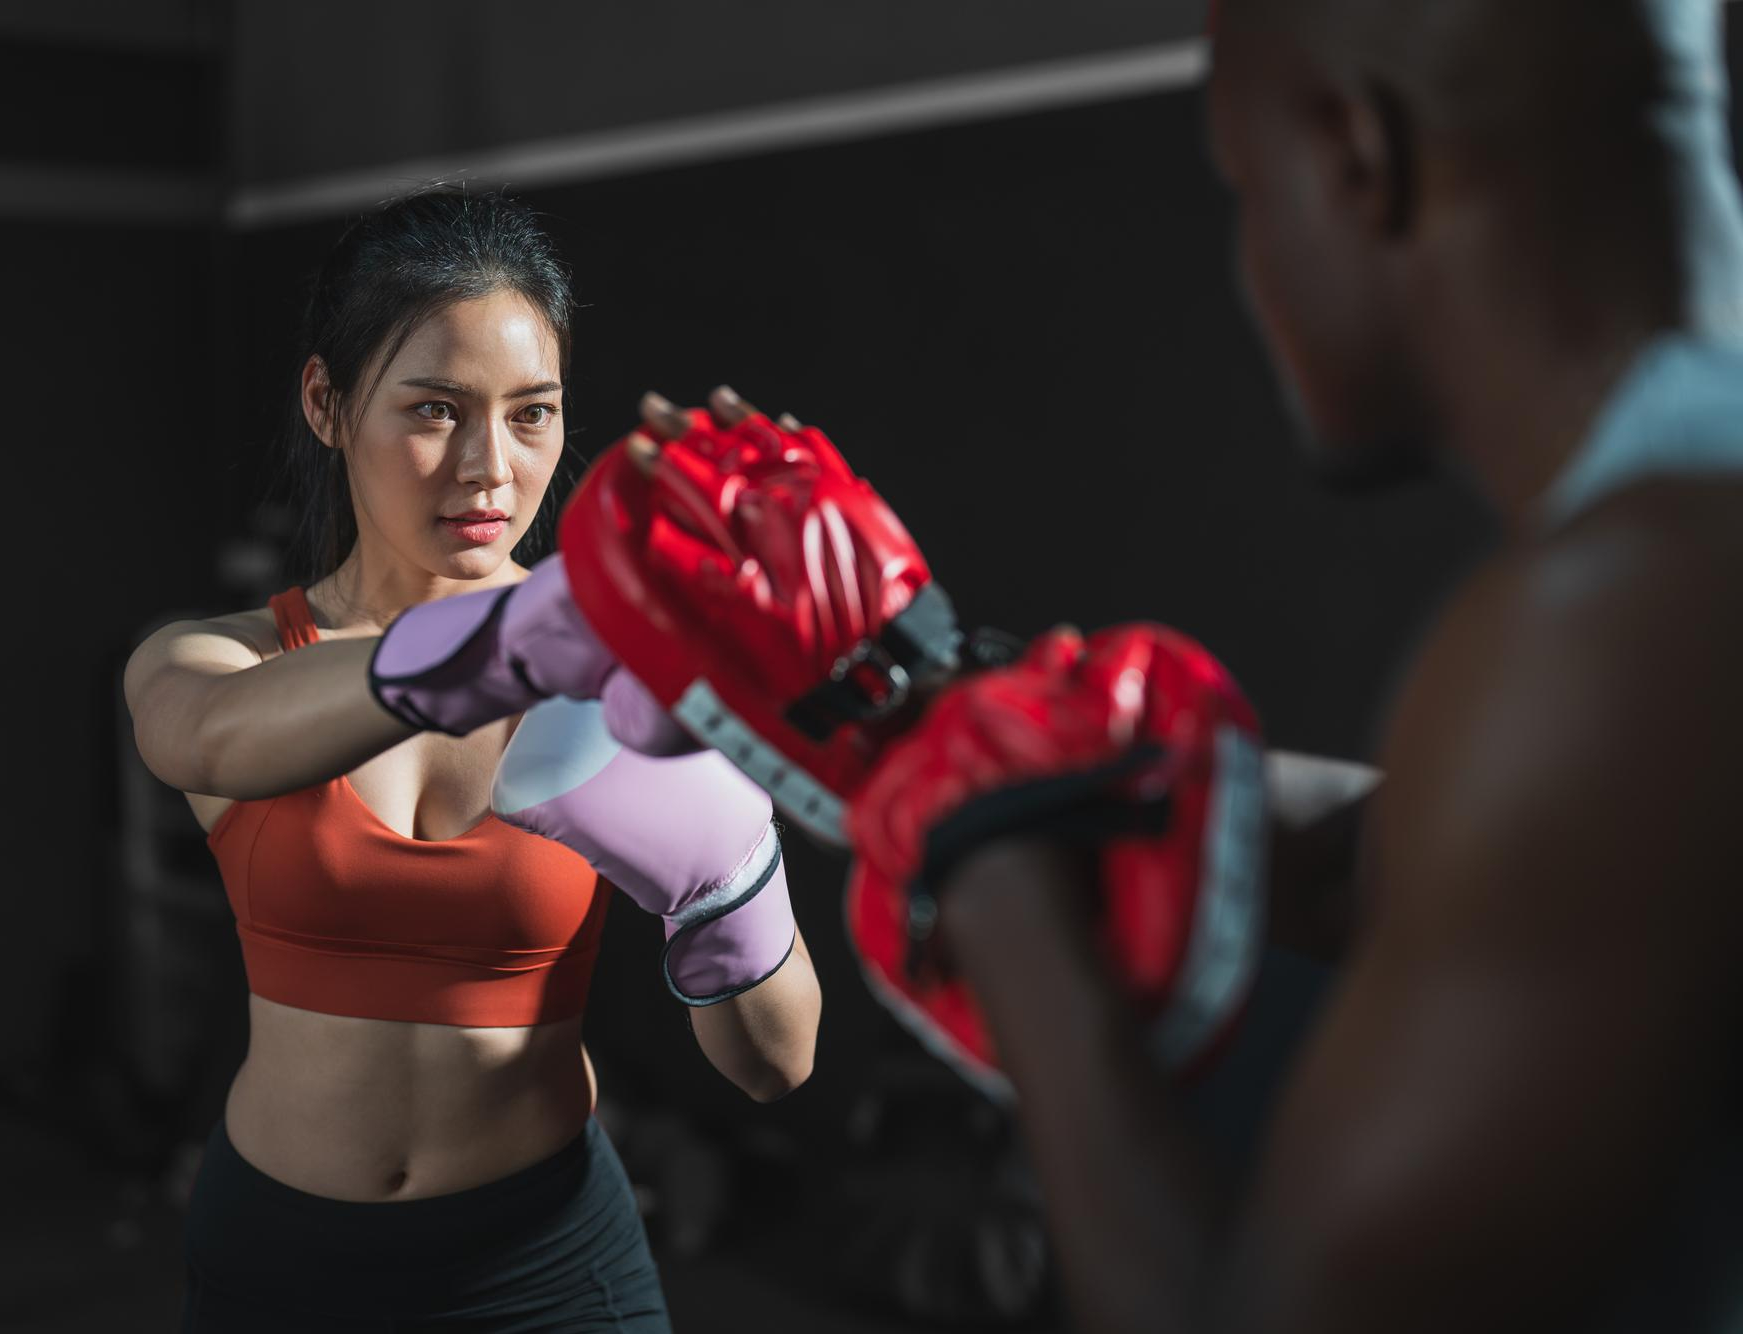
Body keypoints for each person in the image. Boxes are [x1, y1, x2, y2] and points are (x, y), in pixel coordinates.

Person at [623, 0, 1743, 1326]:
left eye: (1246, 189)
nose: (1253, 257)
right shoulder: (1675, 582)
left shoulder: (1608, 633)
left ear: (1354, 153)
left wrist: (993, 876)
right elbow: (1437, 861)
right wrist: (958, 720)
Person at [122, 188, 820, 1331]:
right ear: (327, 401)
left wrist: (728, 878)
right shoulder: (228, 656)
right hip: (281, 1267)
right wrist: (504, 643)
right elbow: (199, 734)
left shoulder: (615, 680)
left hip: (546, 1266)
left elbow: (773, 1063)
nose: (489, 466)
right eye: (436, 409)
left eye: (532, 412)